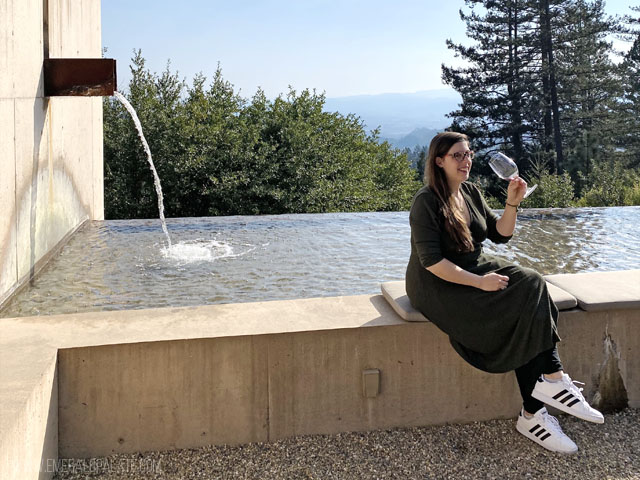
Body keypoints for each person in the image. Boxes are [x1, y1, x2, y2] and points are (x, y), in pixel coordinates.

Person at [405, 132, 603, 454]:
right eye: (458, 155)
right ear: (438, 161)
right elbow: (432, 262)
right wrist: (479, 283)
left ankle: (540, 399)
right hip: (438, 284)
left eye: (468, 154)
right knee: (521, 304)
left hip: (473, 264)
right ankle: (539, 404)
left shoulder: (469, 191)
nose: (466, 160)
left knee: (533, 285)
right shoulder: (426, 202)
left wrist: (513, 202)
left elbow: (500, 234)